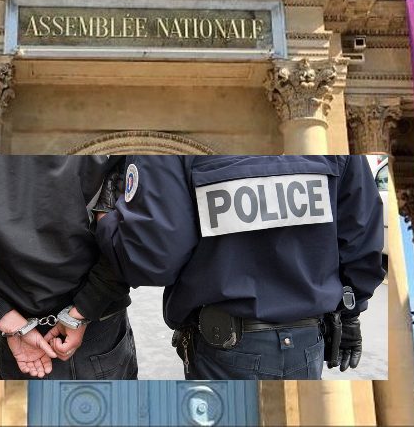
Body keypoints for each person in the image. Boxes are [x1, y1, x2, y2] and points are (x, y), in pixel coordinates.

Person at [94, 155, 385, 380]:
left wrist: (105, 220)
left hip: (225, 351)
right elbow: (361, 235)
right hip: (307, 344)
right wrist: (350, 313)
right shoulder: (325, 123)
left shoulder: (175, 127)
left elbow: (152, 258)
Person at [0, 155, 138, 380]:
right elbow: (133, 222)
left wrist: (1, 315)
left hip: (24, 322)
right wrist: (86, 308)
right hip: (86, 322)